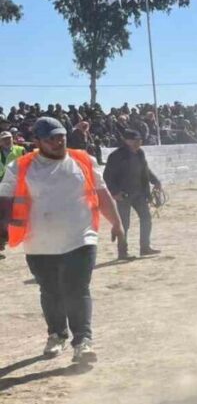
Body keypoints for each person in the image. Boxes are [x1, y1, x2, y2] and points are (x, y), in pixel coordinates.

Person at [0, 117, 126, 363]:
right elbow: (3, 201)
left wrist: (117, 224)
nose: (58, 142)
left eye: (61, 137)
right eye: (51, 139)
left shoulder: (83, 160)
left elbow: (102, 194)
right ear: (37, 141)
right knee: (50, 292)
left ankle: (83, 341)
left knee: (77, 289)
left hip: (80, 238)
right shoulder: (20, 167)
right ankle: (57, 334)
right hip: (38, 243)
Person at [103, 129, 163, 260]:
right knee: (124, 224)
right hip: (123, 194)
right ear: (126, 141)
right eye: (135, 140)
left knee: (146, 218)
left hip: (139, 193)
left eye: (139, 140)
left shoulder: (140, 153)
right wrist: (115, 192)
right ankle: (123, 252)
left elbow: (145, 170)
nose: (138, 142)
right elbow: (107, 176)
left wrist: (156, 181)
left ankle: (145, 248)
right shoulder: (116, 156)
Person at [0, 130, 27, 258]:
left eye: (9, 138)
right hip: (3, 187)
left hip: (19, 186)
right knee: (4, 215)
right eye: (4, 139)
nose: (7, 140)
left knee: (20, 212)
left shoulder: (20, 150)